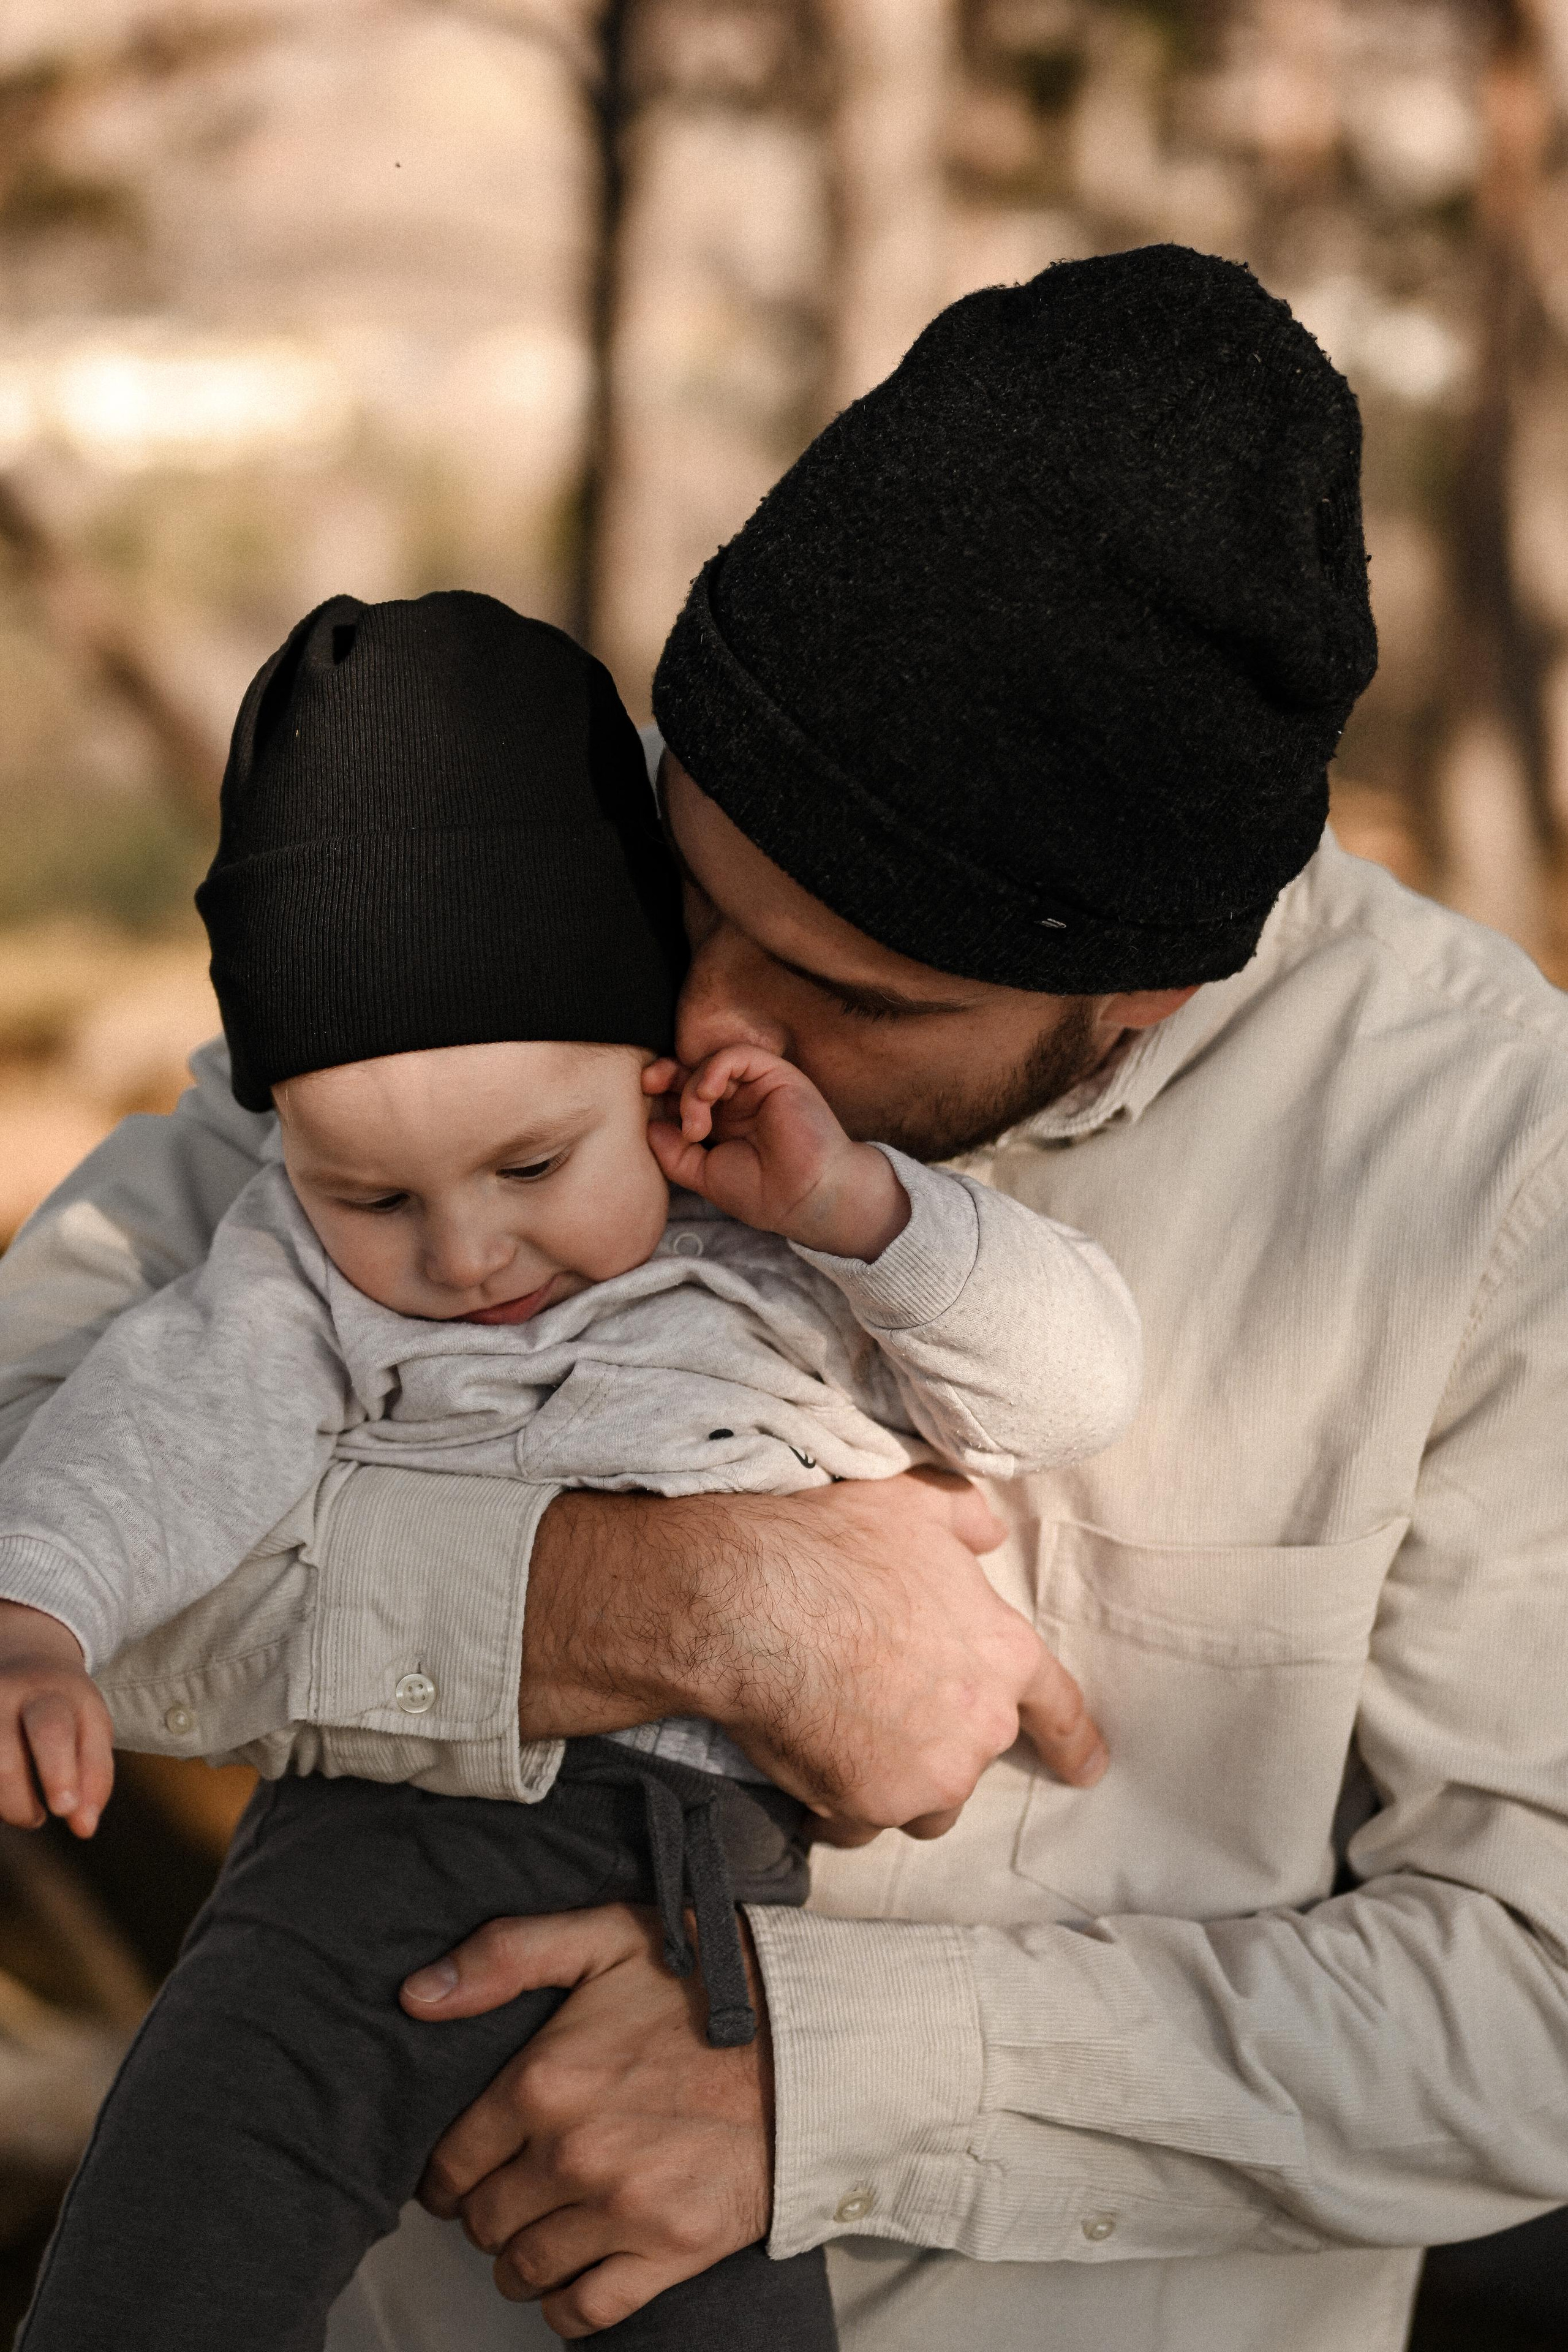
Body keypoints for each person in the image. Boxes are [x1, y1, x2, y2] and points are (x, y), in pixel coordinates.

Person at [4, 244, 1568, 2352]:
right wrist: (654, 1603)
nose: (708, 1024)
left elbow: (1540, 1995)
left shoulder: (1489, 1164)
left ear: (1151, 989)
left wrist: (828, 2083)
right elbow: (37, 1466)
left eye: (856, 994)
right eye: (692, 892)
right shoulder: (514, 867)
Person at [0, 590, 1139, 2352]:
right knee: (171, 2247)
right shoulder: (297, 1271)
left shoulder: (790, 1230)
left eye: (532, 1167)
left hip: (703, 1915)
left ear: (655, 1065)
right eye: (373, 1193)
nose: (464, 1253)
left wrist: (864, 1212)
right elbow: (161, 1425)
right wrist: (38, 1612)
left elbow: (1076, 1386)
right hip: (367, 1854)